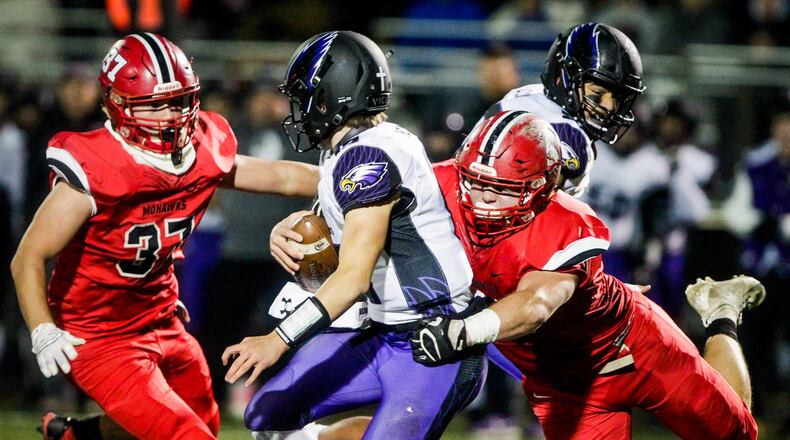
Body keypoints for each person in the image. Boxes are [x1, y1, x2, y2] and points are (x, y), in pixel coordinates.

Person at [11, 33, 319, 440]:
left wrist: (357, 177)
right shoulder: (97, 169)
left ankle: (79, 436)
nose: (171, 115)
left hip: (160, 315)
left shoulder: (199, 151)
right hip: (100, 333)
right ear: (116, 103)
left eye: (178, 101)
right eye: (154, 105)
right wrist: (42, 330)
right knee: (185, 434)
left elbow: (281, 177)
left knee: (203, 420)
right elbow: (28, 257)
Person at [410, 111, 762, 438]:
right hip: (564, 385)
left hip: (632, 350)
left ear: (541, 188)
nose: (483, 198)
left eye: (502, 189)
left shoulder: (565, 224)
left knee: (737, 435)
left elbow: (536, 304)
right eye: (475, 182)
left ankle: (722, 312)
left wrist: (466, 330)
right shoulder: (438, 184)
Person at [221, 30, 486, 440]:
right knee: (267, 416)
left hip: (436, 341)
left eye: (306, 97)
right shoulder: (359, 148)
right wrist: (208, 170)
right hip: (381, 332)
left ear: (330, 98)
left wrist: (277, 340)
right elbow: (296, 179)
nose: (299, 110)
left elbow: (353, 278)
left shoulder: (368, 157)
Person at [482, 22, 645, 197]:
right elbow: (526, 201)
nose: (609, 106)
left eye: (617, 98)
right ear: (563, 77)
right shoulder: (567, 131)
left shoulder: (528, 95)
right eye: (598, 93)